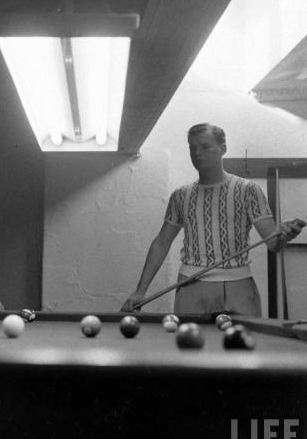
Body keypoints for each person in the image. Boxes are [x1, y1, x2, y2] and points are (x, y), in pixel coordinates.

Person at [121, 123, 305, 316]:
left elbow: (273, 243)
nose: (198, 153)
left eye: (205, 146)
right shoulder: (180, 195)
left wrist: (285, 235)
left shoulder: (249, 190)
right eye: (193, 148)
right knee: (189, 344)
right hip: (191, 285)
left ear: (223, 148)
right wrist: (140, 291)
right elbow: (162, 242)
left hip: (239, 286)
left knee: (244, 345)